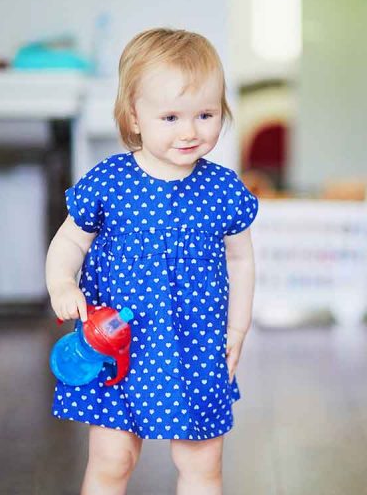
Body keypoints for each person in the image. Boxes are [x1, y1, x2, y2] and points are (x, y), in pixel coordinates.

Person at [46, 28, 259, 495]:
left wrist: (238, 329)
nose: (190, 130)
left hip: (196, 344)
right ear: (134, 117)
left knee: (201, 460)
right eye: (171, 116)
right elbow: (70, 242)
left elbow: (241, 261)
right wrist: (62, 284)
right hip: (117, 347)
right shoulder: (110, 181)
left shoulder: (222, 190)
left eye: (205, 114)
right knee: (112, 458)